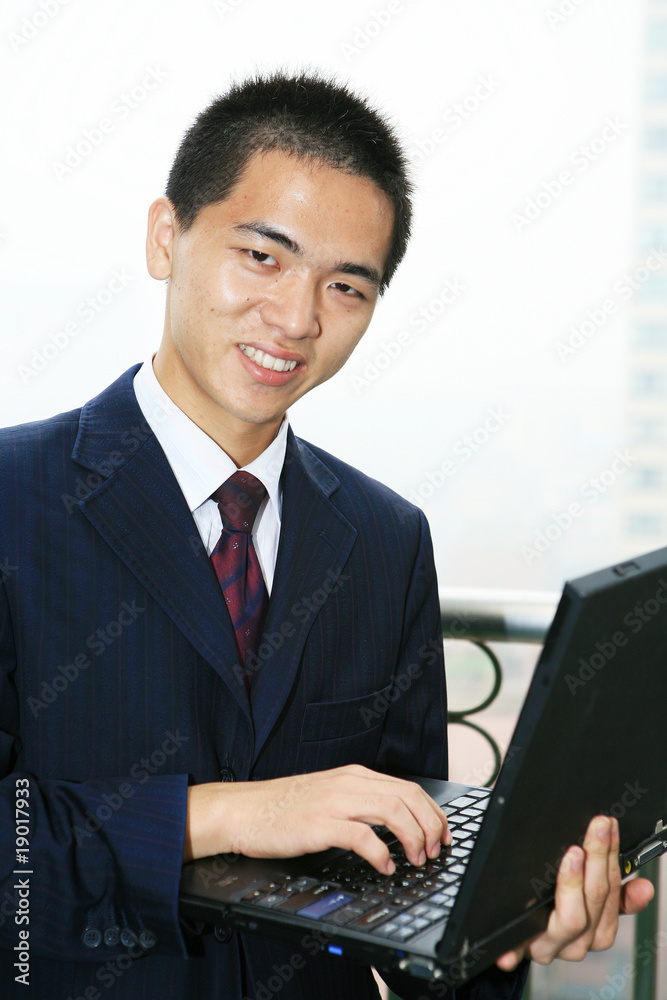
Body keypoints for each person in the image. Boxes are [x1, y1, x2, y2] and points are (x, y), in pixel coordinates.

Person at [0, 72, 652, 1000]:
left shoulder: (385, 537)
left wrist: (503, 923)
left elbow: (405, 855)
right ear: (165, 237)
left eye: (345, 285)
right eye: (262, 257)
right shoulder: (12, 497)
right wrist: (225, 815)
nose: (298, 319)